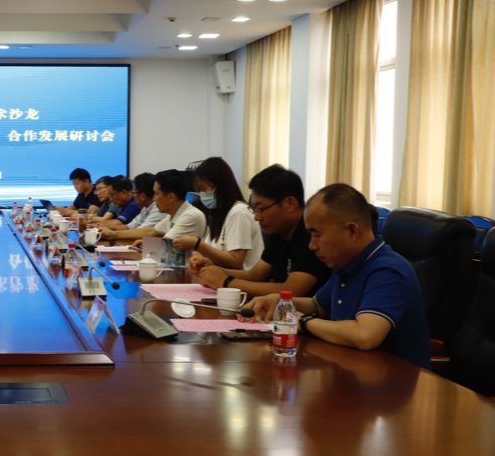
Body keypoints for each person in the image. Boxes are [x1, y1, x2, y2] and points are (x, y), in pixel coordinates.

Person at [244, 183, 431, 369]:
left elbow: (365, 336)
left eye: (317, 235)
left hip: (391, 381)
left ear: (352, 231)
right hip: (349, 369)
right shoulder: (347, 262)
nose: (311, 245)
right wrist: (280, 301)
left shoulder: (388, 271)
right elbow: (318, 306)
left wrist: (302, 321)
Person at [191, 165, 328, 297]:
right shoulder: (279, 233)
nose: (257, 217)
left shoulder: (311, 235)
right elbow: (255, 275)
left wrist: (226, 282)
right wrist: (215, 270)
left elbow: (292, 290)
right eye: (254, 209)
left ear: (290, 203)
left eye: (261, 209)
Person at [173, 157, 263, 270]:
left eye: (203, 189)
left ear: (220, 186)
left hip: (239, 279)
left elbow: (236, 261)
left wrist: (198, 245)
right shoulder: (218, 215)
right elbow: (212, 251)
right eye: (199, 191)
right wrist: (197, 257)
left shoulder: (239, 212)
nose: (201, 195)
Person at [97, 172, 168, 240]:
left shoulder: (158, 209)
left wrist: (113, 234)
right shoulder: (145, 207)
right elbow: (130, 227)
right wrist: (106, 229)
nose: (133, 196)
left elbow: (144, 232)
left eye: (134, 192)